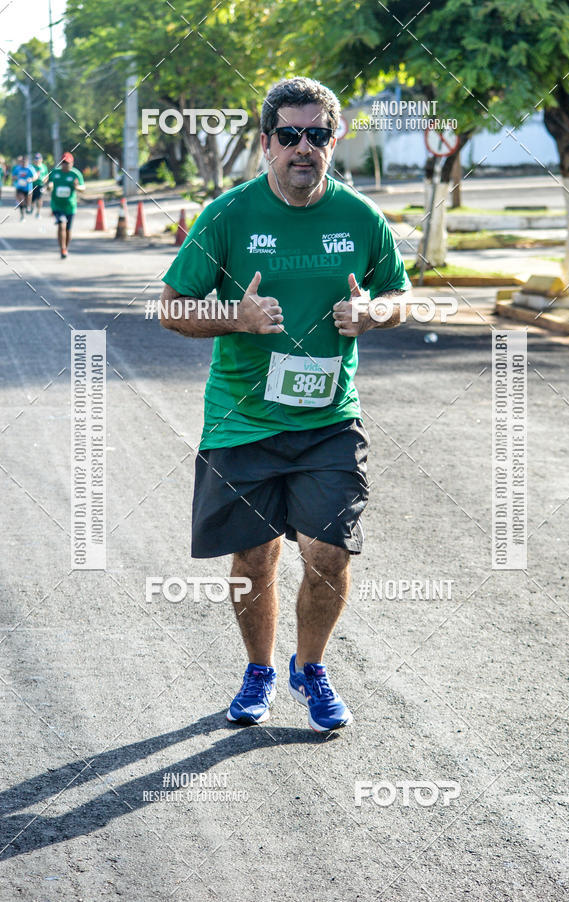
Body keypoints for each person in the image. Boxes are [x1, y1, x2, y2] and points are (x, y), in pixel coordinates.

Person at [160, 77, 411, 733]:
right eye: (291, 136)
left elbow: (399, 295)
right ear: (268, 143)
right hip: (243, 421)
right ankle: (259, 670)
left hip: (329, 420)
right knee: (255, 557)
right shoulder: (228, 216)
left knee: (329, 554)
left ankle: (312, 666)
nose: (305, 148)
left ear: (335, 141)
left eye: (319, 135)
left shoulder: (360, 218)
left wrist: (373, 312)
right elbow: (171, 308)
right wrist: (235, 318)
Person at [47, 152, 85, 258]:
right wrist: (49, 186)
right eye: (63, 163)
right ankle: (62, 248)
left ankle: (65, 248)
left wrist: (77, 187)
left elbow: (83, 188)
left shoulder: (76, 174)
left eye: (67, 163)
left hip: (70, 206)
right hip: (57, 205)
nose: (65, 165)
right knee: (61, 224)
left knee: (68, 230)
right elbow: (48, 184)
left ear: (72, 163)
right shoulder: (55, 173)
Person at [11, 155, 35, 220]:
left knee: (28, 200)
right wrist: (16, 178)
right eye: (22, 162)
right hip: (20, 187)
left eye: (25, 162)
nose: (24, 163)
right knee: (21, 201)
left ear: (27, 162)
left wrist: (31, 179)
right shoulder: (17, 168)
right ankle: (22, 215)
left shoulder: (30, 168)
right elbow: (13, 176)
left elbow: (35, 177)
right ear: (21, 162)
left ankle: (28, 206)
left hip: (28, 188)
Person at [31, 152, 48, 218]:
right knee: (32, 198)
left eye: (38, 158)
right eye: (36, 158)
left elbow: (47, 175)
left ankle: (38, 212)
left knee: (40, 198)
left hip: (41, 185)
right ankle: (31, 207)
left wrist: (45, 181)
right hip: (32, 184)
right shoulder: (32, 167)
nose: (37, 160)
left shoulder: (44, 167)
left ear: (41, 159)